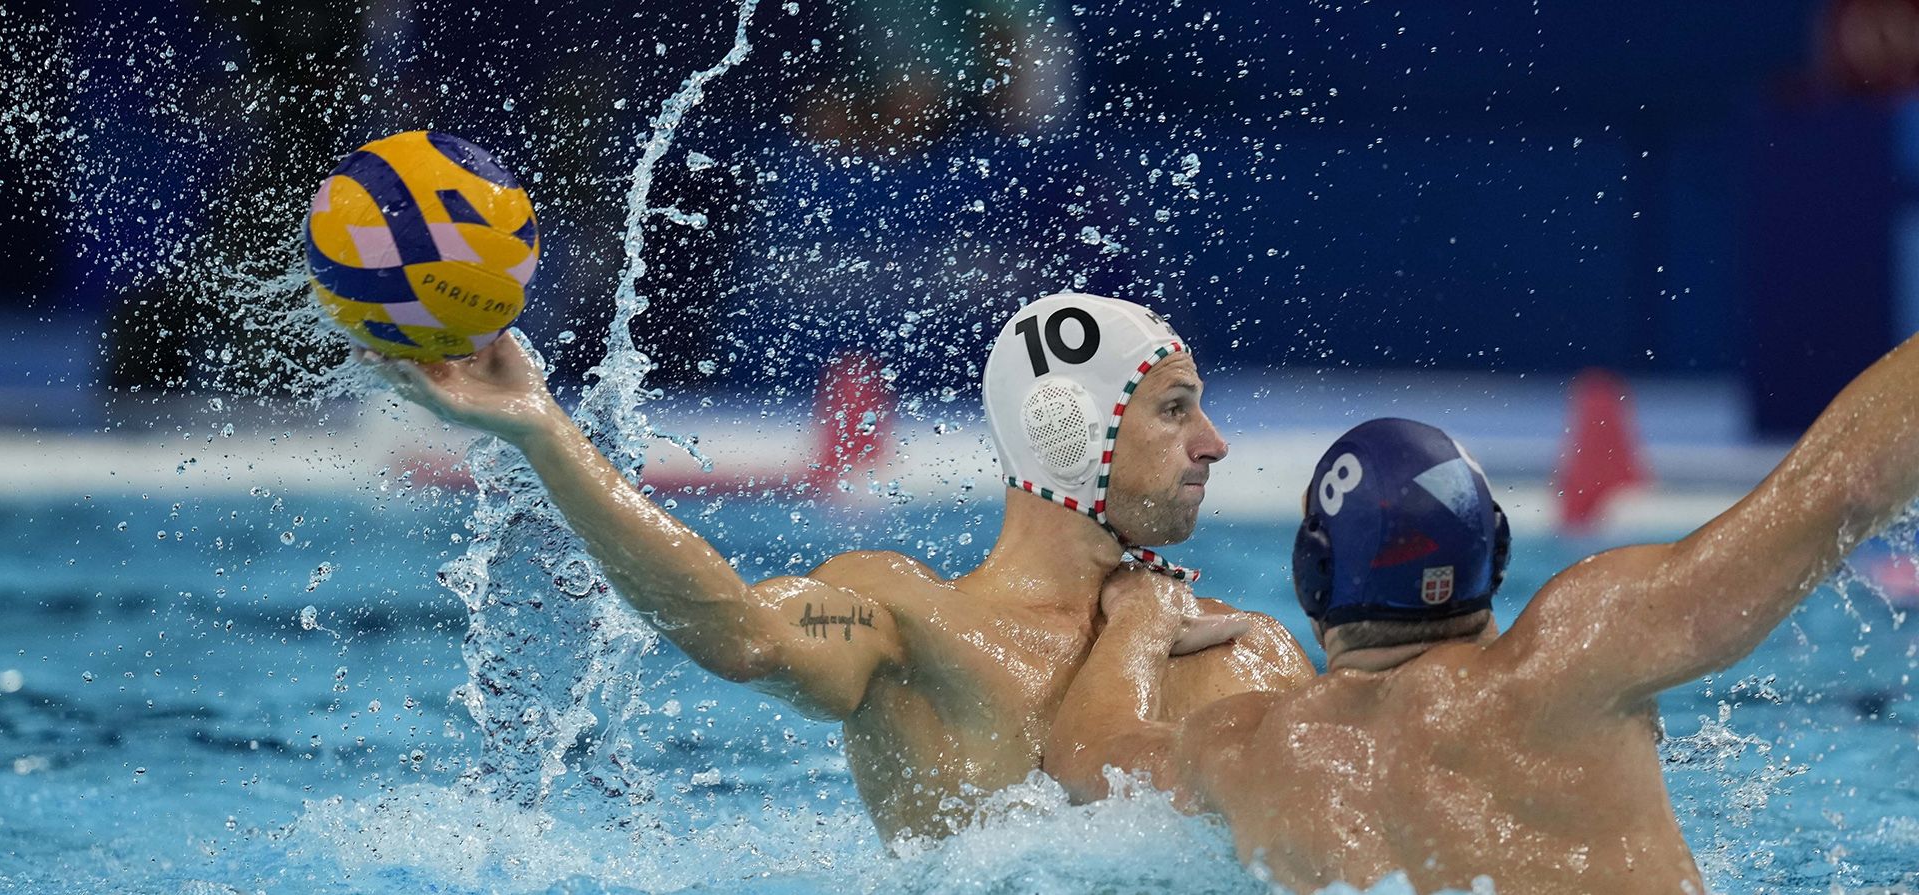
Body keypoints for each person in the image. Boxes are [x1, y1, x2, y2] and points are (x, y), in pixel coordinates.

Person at [361, 291, 1316, 840]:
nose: (1216, 444)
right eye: (1176, 407)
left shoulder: (1249, 650)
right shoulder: (904, 620)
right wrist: (542, 429)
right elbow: (739, 633)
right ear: (1072, 428)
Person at [1046, 332, 1919, 893]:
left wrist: (1138, 613)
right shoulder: (1580, 650)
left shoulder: (1251, 752)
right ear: (1495, 555)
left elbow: (1087, 757)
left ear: (1314, 581)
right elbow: (1845, 483)